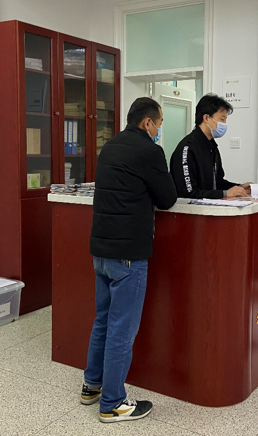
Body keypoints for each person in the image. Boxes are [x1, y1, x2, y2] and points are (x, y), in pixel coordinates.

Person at [81, 97, 178, 422]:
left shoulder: (110, 146)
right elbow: (168, 198)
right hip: (127, 256)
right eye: (159, 123)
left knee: (103, 320)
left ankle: (92, 385)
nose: (159, 129)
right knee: (122, 328)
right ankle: (113, 403)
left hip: (101, 251)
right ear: (148, 123)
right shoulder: (149, 151)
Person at [170, 94, 250, 199]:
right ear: (206, 118)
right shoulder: (188, 149)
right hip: (191, 208)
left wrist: (240, 188)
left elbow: (218, 183)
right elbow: (188, 193)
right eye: (222, 119)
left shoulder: (212, 147)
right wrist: (224, 194)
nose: (224, 124)